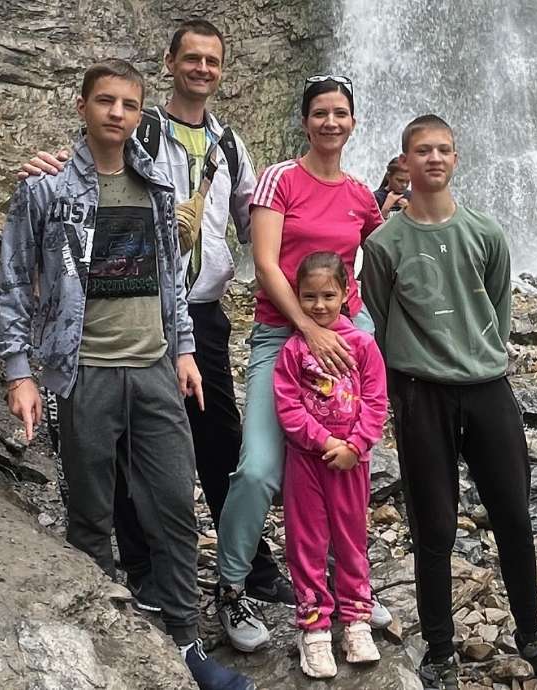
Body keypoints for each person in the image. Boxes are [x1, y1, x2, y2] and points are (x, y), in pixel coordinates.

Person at [0, 58, 253, 690]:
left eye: (129, 104)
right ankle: (98, 639)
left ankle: (186, 643)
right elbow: (14, 284)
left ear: (142, 113)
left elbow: (171, 280)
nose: (117, 113)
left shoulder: (158, 186)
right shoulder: (45, 189)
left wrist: (186, 349)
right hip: (83, 372)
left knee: (174, 507)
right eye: (105, 101)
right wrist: (19, 371)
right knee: (89, 511)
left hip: (155, 367)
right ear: (83, 107)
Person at [19, 20, 294, 611]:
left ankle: (244, 565)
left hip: (199, 315)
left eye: (212, 61)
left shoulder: (231, 145)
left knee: (219, 440)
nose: (201, 69)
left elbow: (256, 227)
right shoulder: (138, 128)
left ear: (222, 71)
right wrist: (48, 166)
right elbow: (89, 167)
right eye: (191, 58)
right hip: (124, 312)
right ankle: (140, 566)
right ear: (169, 62)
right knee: (115, 449)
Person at [360, 114, 537, 689]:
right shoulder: (382, 244)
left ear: (456, 158)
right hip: (422, 393)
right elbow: (381, 314)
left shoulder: (487, 234)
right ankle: (440, 650)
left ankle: (534, 636)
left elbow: (497, 307)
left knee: (514, 516)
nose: (434, 159)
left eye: (443, 149)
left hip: (488, 388)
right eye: (423, 150)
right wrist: (410, 380)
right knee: (434, 525)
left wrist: (479, 356)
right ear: (406, 162)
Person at [214, 75, 392, 652]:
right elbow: (265, 265)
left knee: (347, 462)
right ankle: (231, 586)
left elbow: (386, 248)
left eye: (341, 113)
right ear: (305, 120)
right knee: (261, 468)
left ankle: (351, 591)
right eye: (320, 113)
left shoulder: (362, 194)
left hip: (349, 337)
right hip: (281, 336)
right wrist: (310, 328)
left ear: (354, 122)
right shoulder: (280, 180)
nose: (330, 123)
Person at [273, 252, 388, 678]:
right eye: (309, 297)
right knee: (307, 543)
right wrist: (324, 441)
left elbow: (376, 401)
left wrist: (355, 446)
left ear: (345, 294)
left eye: (328, 295)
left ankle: (356, 620)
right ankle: (314, 629)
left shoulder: (362, 344)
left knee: (352, 538)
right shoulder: (292, 350)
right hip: (306, 462)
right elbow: (287, 407)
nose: (319, 305)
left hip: (351, 464)